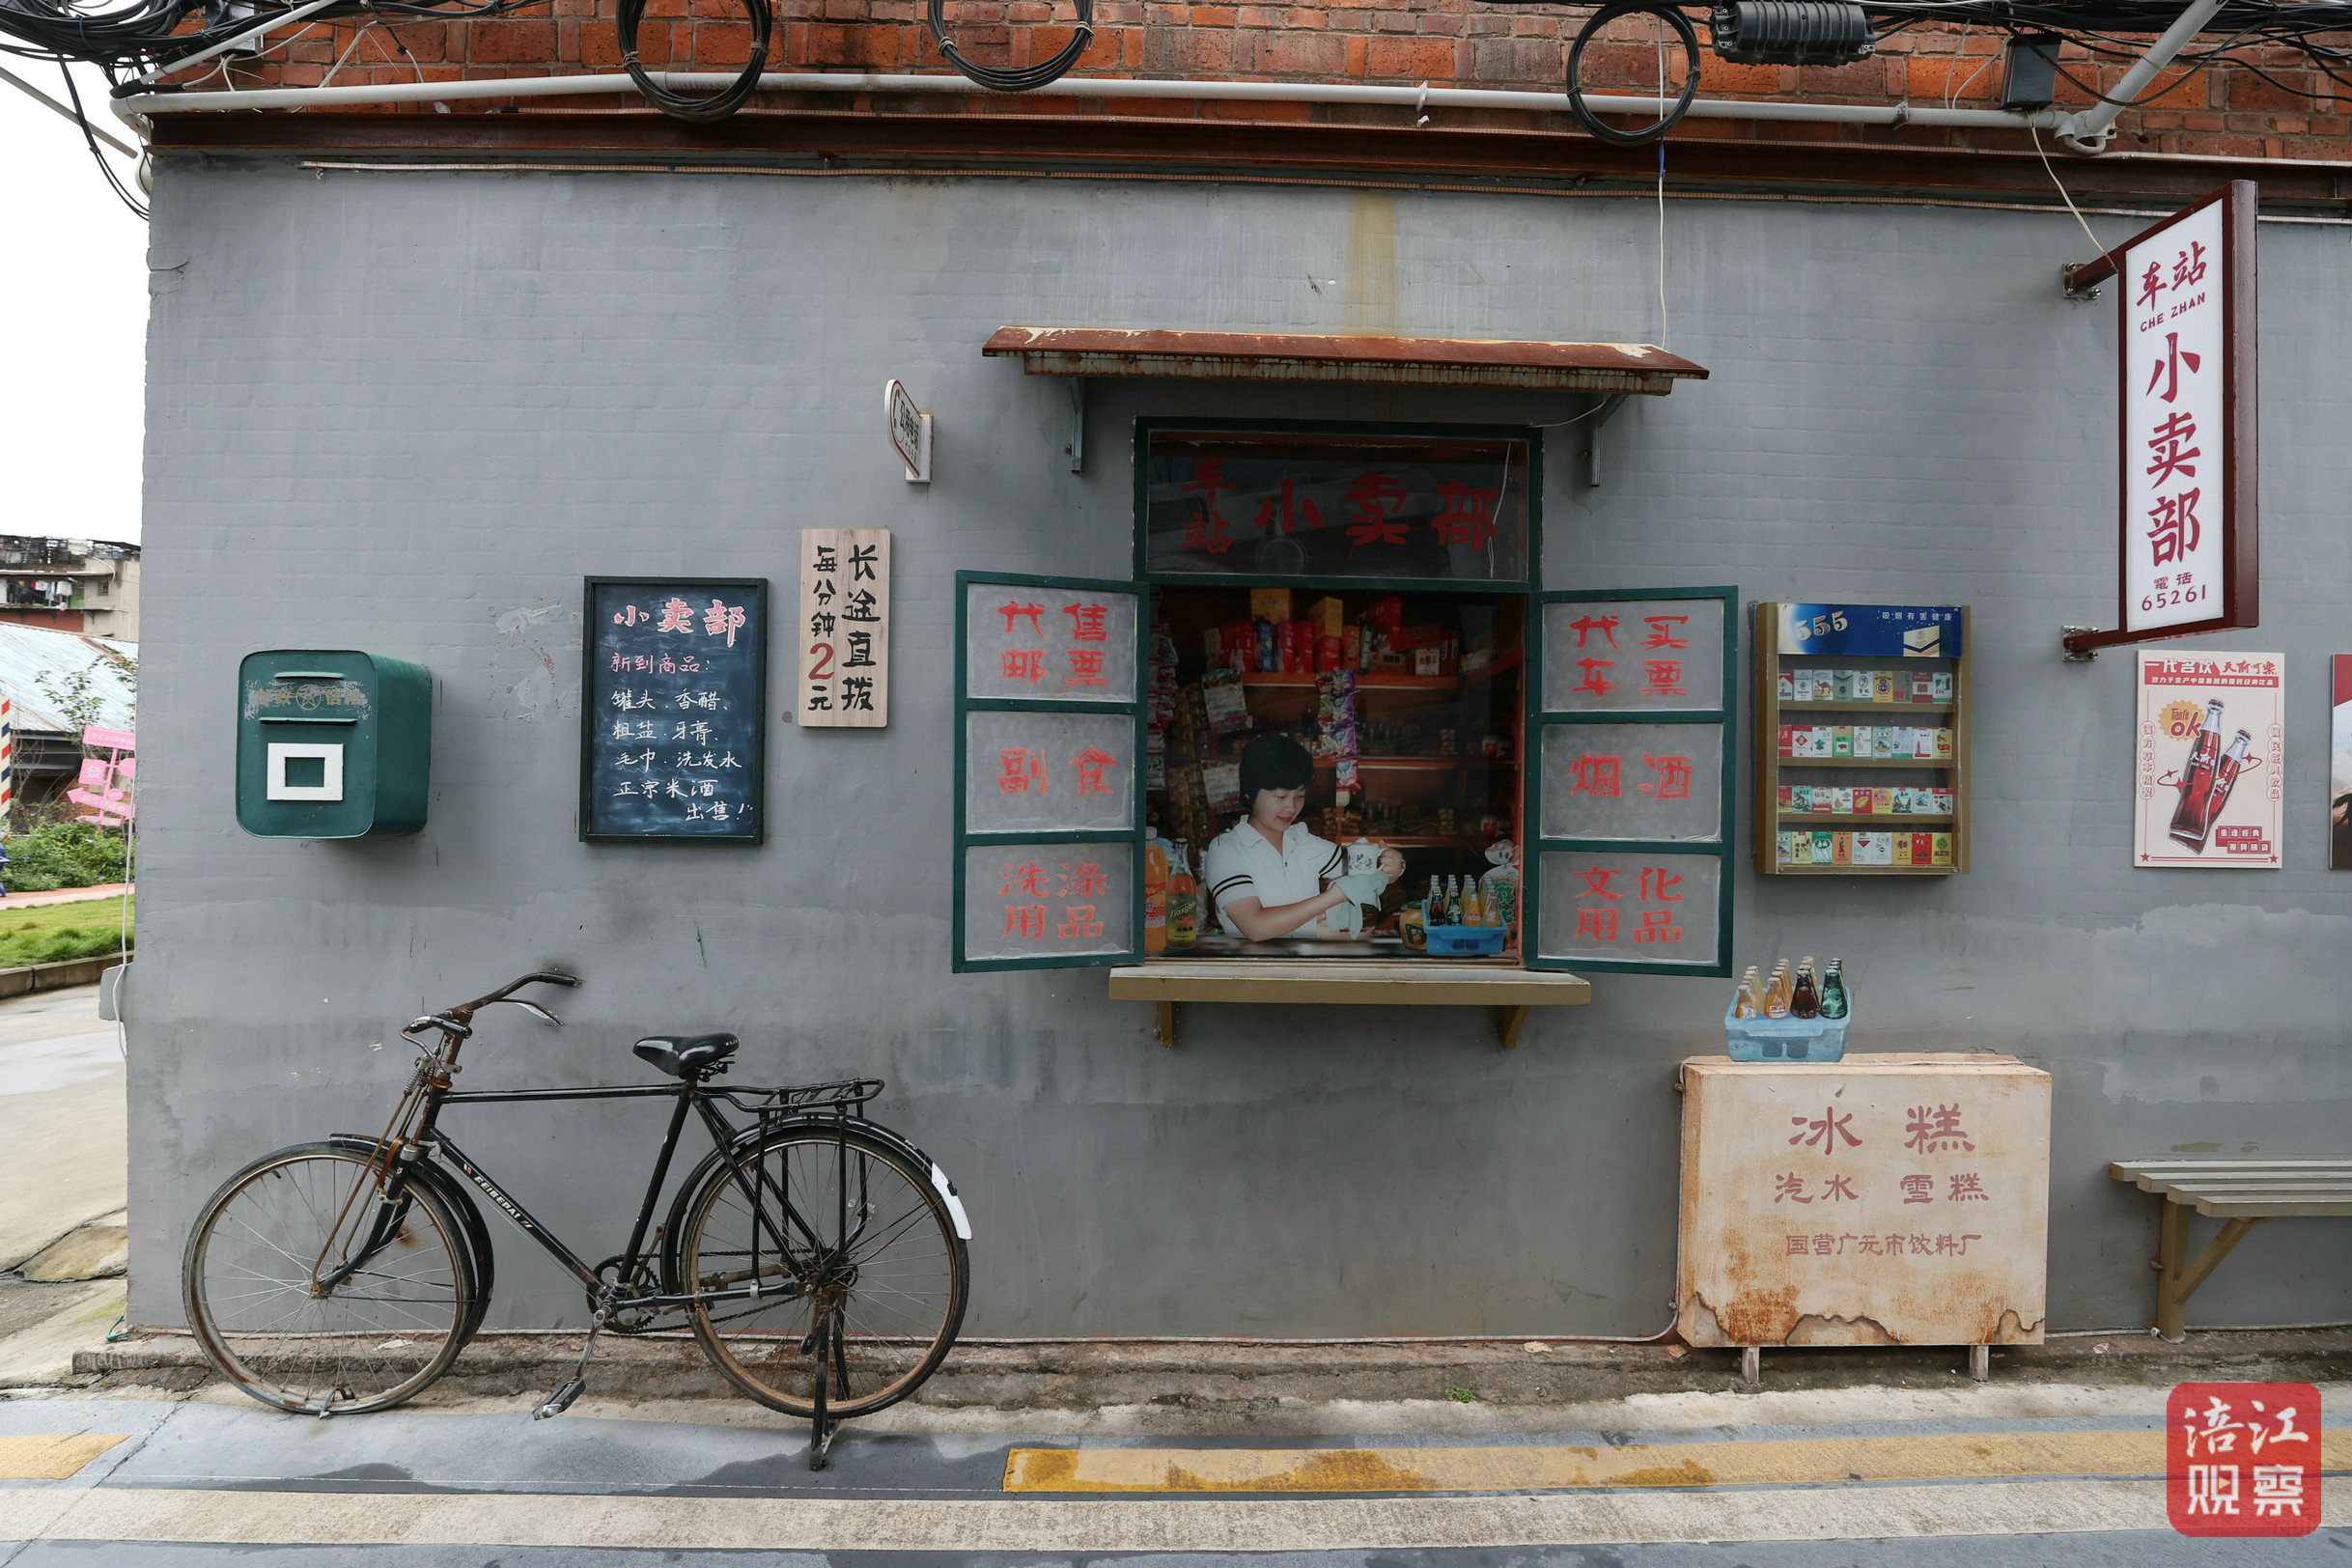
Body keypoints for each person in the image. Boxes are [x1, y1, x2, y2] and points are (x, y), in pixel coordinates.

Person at [1201, 733, 1403, 940]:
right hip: (1252, 962)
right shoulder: (1226, 850)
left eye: (1300, 795)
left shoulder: (1303, 842)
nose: (1291, 807)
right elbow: (1256, 927)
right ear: (1249, 793)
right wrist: (1337, 895)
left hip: (1304, 961)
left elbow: (1365, 868)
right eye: (1280, 796)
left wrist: (1391, 866)